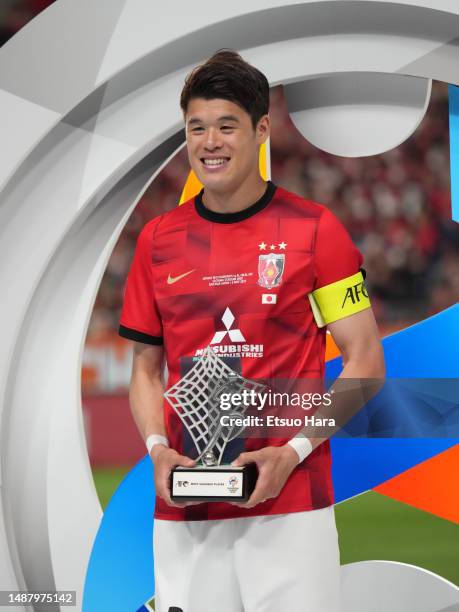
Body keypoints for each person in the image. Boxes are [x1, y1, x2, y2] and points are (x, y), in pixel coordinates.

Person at [119, 50, 385, 612]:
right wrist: (157, 449)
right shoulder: (157, 241)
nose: (209, 142)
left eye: (226, 125)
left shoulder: (316, 231)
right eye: (196, 127)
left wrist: (291, 453)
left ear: (261, 130)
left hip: (292, 510)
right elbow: (144, 370)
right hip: (185, 516)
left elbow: (365, 364)